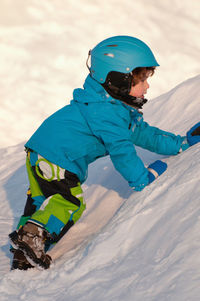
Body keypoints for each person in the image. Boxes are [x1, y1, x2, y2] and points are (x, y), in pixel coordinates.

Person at [9, 35, 200, 270]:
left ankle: (23, 253)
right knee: (69, 201)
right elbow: (122, 151)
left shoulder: (110, 107)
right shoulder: (106, 114)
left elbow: (142, 134)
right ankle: (31, 238)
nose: (147, 85)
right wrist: (141, 180)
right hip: (58, 158)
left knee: (41, 201)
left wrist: (180, 143)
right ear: (118, 80)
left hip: (41, 152)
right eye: (142, 79)